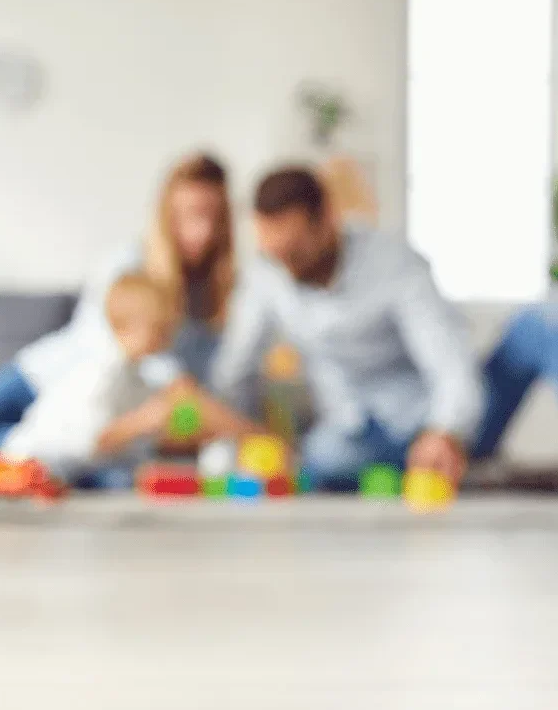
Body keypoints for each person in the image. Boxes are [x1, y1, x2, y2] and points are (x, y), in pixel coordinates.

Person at [0, 153, 259, 469]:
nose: (202, 231)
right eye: (191, 216)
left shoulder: (218, 296)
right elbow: (141, 360)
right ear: (167, 214)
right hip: (37, 379)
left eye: (213, 217)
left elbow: (204, 384)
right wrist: (241, 426)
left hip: (77, 422)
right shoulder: (127, 266)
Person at [214, 165, 558, 490]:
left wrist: (446, 430)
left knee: (537, 325)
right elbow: (235, 372)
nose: (286, 268)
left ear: (328, 219)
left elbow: (449, 361)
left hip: (446, 422)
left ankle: (451, 460)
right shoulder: (265, 277)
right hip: (358, 436)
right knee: (324, 458)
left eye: (296, 252)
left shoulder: (393, 263)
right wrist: (242, 438)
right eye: (276, 255)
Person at [0, 273, 175, 477]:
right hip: (34, 459)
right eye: (159, 329)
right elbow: (93, 441)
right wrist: (140, 422)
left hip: (77, 467)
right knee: (119, 480)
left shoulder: (139, 377)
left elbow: (131, 447)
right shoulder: (102, 373)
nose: (167, 337)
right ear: (128, 326)